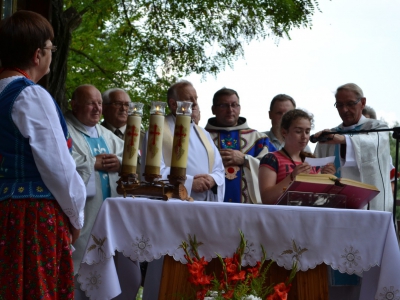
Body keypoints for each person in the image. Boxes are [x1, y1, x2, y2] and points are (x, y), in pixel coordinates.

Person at [0, 11, 86, 298]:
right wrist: (76, 217)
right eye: (51, 48)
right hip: (31, 218)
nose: (52, 54)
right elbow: (59, 168)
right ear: (38, 55)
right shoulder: (31, 95)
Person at [65, 85, 141, 298]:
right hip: (85, 217)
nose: (97, 108)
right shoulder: (64, 129)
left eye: (99, 103)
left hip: (114, 219)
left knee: (124, 276)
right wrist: (91, 163)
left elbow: (133, 159)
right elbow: (57, 163)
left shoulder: (108, 135)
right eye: (91, 103)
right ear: (75, 105)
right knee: (81, 278)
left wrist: (120, 163)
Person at [314, 83, 393, 212]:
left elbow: (372, 143)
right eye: (339, 105)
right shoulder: (330, 135)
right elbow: (315, 168)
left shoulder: (378, 128)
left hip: (371, 207)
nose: (344, 110)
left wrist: (344, 140)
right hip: (334, 206)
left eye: (350, 104)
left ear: (362, 103)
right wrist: (322, 173)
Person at [141, 80, 225, 202]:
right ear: (173, 104)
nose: (195, 103)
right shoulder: (157, 131)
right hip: (173, 203)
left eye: (196, 98)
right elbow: (153, 172)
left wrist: (213, 179)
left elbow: (219, 169)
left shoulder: (204, 134)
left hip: (204, 204)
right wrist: (189, 183)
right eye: (190, 99)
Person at [205, 88, 276, 203]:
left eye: (234, 105)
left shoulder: (259, 139)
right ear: (213, 109)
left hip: (249, 208)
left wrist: (246, 159)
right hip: (210, 205)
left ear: (240, 108)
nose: (230, 110)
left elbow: (276, 169)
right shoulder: (201, 137)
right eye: (223, 105)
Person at [259, 109, 335, 204]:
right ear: (284, 132)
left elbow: (319, 198)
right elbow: (266, 199)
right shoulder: (271, 159)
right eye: (298, 131)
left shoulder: (313, 162)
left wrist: (327, 178)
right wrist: (292, 177)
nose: (304, 136)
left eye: (307, 132)